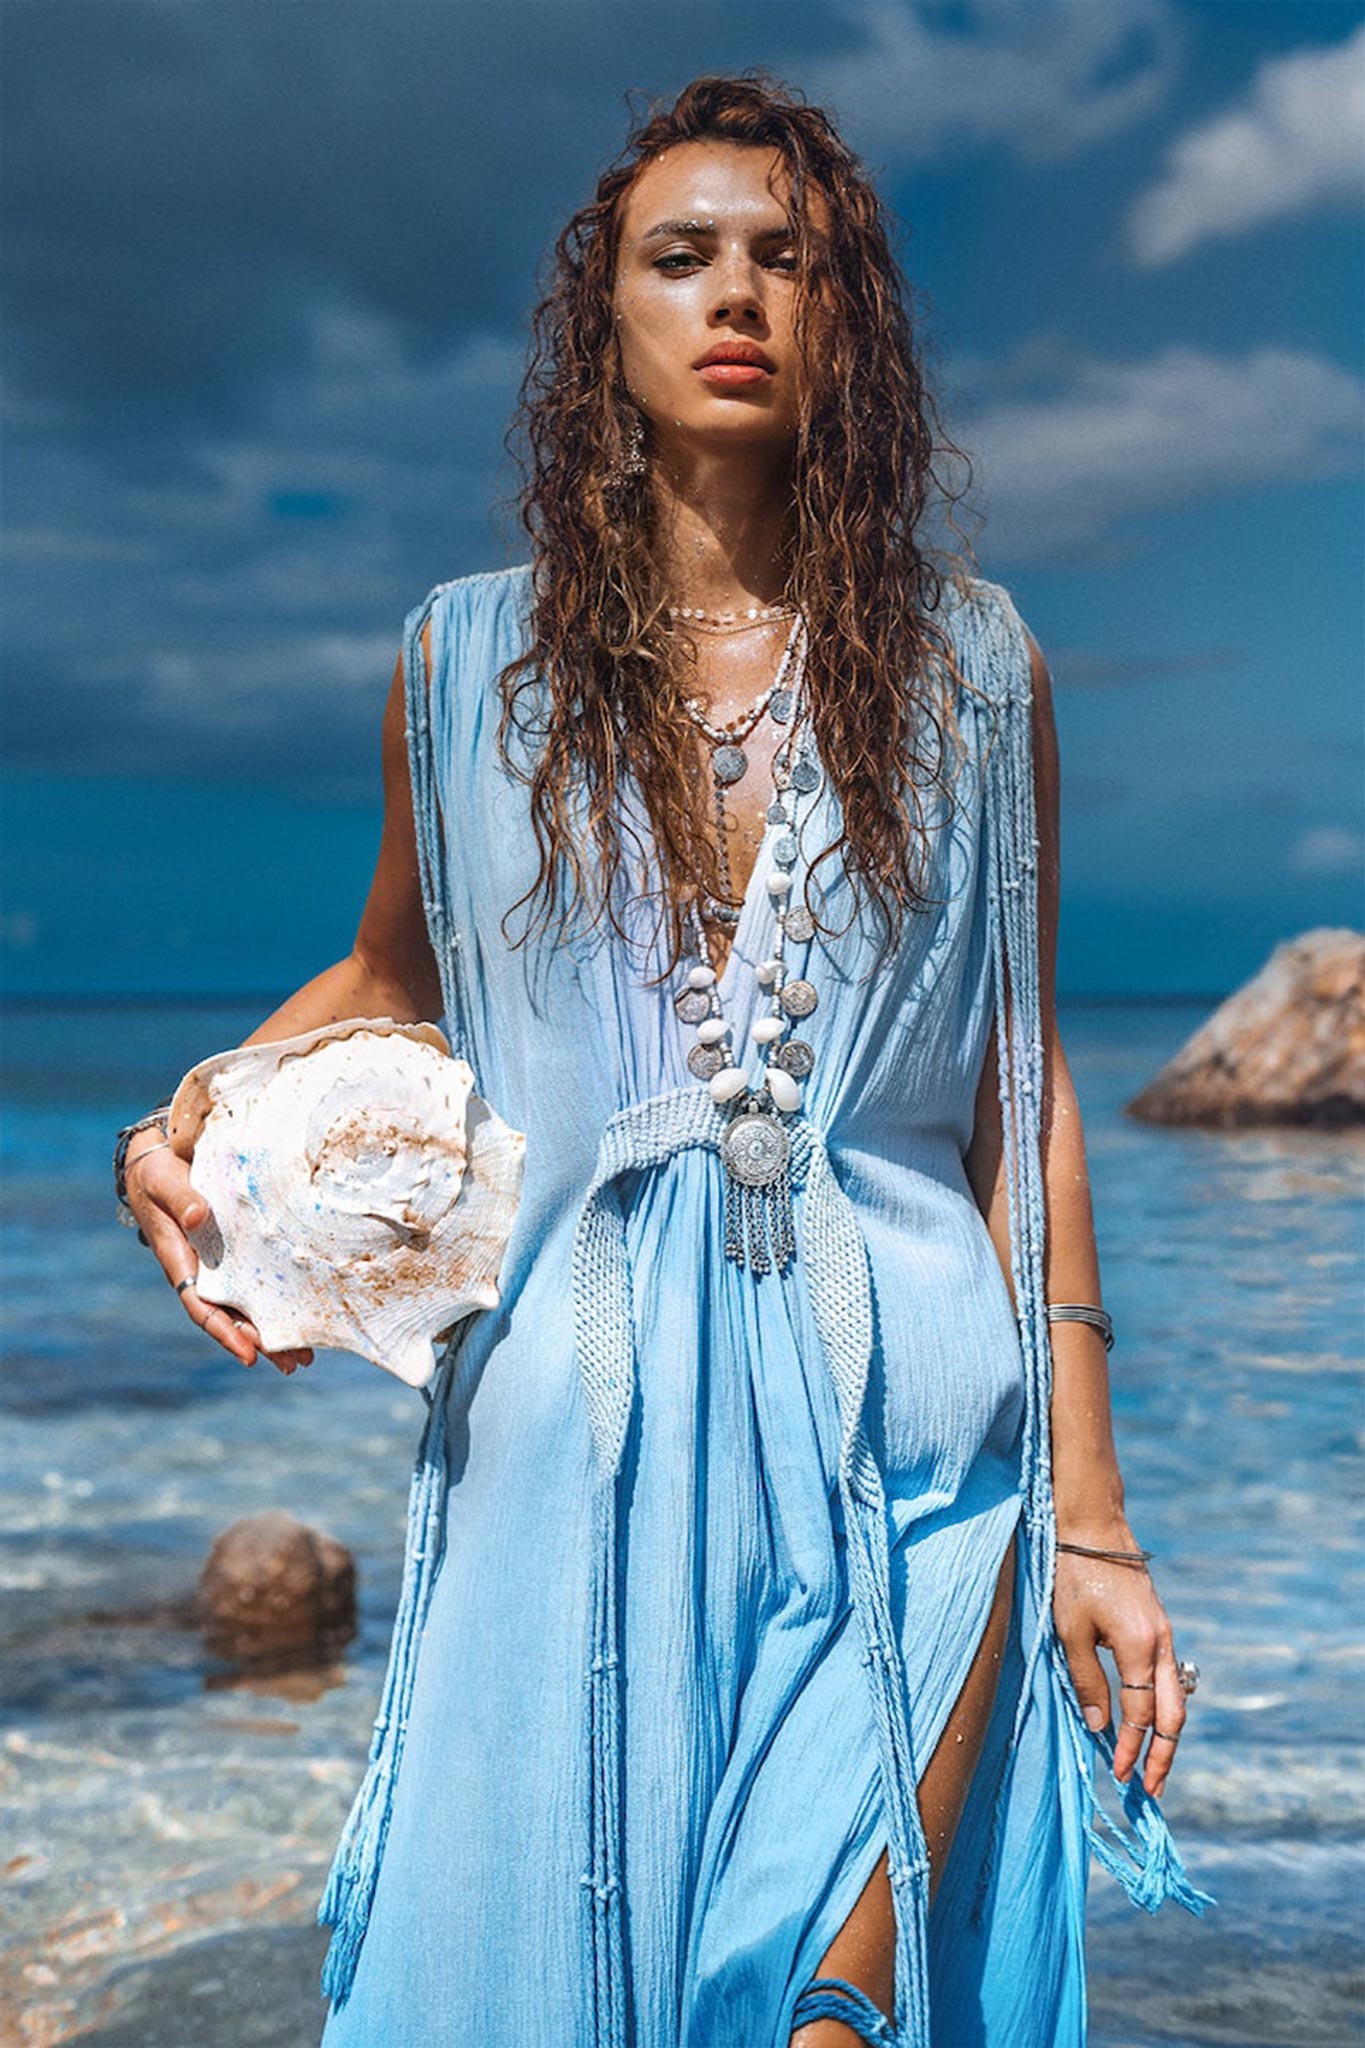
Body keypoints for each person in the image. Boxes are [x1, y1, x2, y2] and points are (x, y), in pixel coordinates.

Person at [116, 72, 1212, 2048]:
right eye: (678, 255)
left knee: (823, 2008)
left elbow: (1015, 1087)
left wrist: (1096, 1519)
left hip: (911, 1418)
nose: (735, 295)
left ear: (840, 320)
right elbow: (389, 976)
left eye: (785, 260)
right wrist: (183, 1118)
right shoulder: (466, 667)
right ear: (600, 320)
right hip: (568, 1427)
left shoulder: (973, 668)